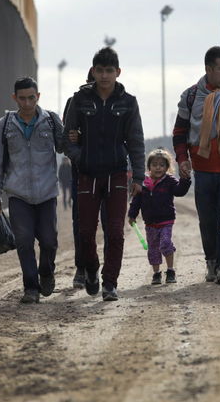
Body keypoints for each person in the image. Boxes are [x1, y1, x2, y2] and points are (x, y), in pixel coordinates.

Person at [64, 47, 145, 301]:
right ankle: (91, 271)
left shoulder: (128, 102)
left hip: (117, 175)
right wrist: (80, 157)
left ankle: (110, 283)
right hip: (87, 175)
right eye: (99, 70)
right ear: (93, 71)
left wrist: (139, 177)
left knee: (116, 233)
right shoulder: (79, 100)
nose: (104, 76)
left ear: (118, 72)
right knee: (85, 233)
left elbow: (136, 141)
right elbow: (67, 138)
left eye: (109, 71)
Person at [172, 46, 220, 285]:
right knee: (207, 221)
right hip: (203, 171)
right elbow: (180, 132)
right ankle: (212, 260)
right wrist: (182, 159)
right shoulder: (191, 96)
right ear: (208, 69)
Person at [0, 77, 65, 304]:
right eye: (22, 98)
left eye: (31, 98)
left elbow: (65, 147)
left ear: (38, 96)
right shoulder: (5, 124)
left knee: (49, 241)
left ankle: (47, 272)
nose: (28, 103)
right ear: (15, 98)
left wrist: (73, 134)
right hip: (18, 194)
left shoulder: (51, 121)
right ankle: (31, 287)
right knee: (23, 241)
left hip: (47, 193)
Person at [62, 70, 108, 290]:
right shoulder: (74, 102)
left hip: (110, 173)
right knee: (82, 225)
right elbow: (67, 139)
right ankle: (82, 268)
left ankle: (109, 271)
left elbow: (121, 137)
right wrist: (81, 154)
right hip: (81, 173)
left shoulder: (119, 101)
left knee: (111, 225)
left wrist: (84, 137)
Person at [128, 149, 191, 285]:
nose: (158, 168)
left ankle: (170, 270)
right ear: (149, 166)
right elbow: (136, 200)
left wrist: (185, 180)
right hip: (150, 222)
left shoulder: (169, 181)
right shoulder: (144, 182)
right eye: (154, 165)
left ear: (167, 167)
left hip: (166, 220)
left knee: (166, 243)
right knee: (153, 249)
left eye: (162, 165)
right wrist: (132, 215)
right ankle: (156, 274)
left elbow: (179, 191)